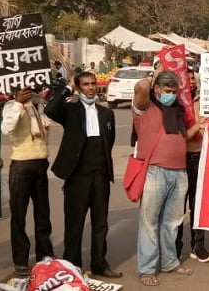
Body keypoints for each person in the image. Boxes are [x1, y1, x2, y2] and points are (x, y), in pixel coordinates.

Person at [45, 72, 121, 278]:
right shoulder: (70, 110)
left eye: (93, 84)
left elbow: (110, 140)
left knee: (101, 223)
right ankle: (72, 265)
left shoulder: (106, 114)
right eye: (85, 84)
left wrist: (103, 169)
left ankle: (99, 263)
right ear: (79, 87)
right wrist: (68, 88)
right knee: (75, 223)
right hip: (77, 176)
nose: (90, 87)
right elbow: (50, 109)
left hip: (101, 176)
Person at [132, 71, 195, 286]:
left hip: (179, 172)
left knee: (172, 222)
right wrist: (152, 77)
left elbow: (183, 137)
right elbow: (140, 87)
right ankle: (147, 269)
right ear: (157, 89)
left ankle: (169, 262)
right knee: (150, 223)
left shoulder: (176, 111)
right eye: (167, 91)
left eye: (174, 91)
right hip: (155, 171)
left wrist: (203, 124)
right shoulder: (145, 107)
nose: (171, 95)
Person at [0, 87, 54, 277]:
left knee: (43, 214)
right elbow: (6, 128)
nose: (30, 91)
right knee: (18, 216)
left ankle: (45, 255)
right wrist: (18, 103)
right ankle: (21, 260)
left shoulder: (39, 105)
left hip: (41, 163)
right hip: (21, 166)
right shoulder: (10, 106)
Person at [175, 70, 209, 264]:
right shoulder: (175, 103)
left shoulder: (207, 101)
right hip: (180, 158)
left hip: (201, 157)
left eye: (193, 78)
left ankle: (198, 246)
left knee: (198, 205)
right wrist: (197, 126)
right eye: (186, 78)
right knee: (178, 207)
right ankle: (175, 247)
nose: (190, 82)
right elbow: (178, 137)